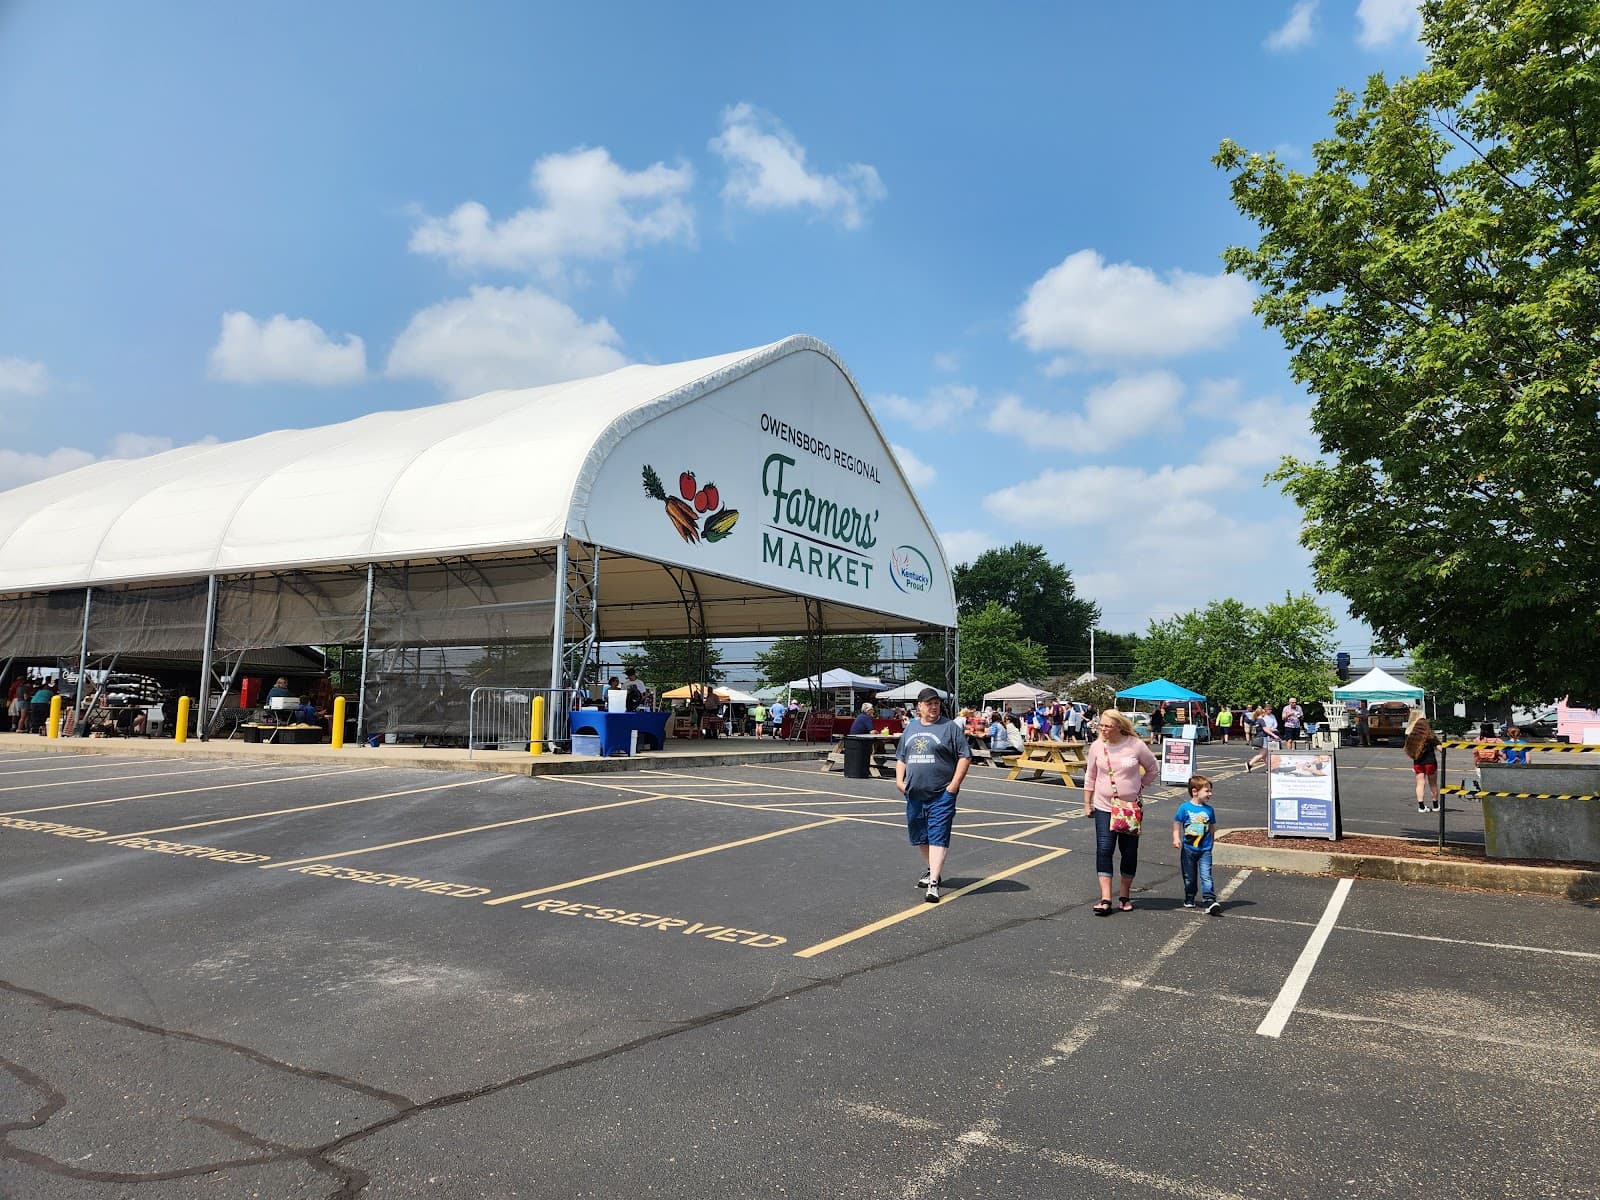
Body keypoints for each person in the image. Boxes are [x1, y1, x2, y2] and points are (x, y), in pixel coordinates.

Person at [893, 687, 972, 903]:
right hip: (914, 794)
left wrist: (953, 786)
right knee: (920, 835)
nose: (934, 707)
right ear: (919, 707)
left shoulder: (950, 728)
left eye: (936, 703)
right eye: (929, 703)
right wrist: (900, 781)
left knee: (938, 834)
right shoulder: (911, 728)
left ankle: (934, 883)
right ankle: (931, 869)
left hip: (941, 794)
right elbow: (901, 757)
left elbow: (965, 756)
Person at [1083, 708, 1158, 914]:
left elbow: (1153, 768)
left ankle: (1124, 894)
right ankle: (1106, 898)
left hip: (1129, 808)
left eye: (1107, 726)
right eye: (1101, 725)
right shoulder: (1097, 747)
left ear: (1118, 727)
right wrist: (1087, 803)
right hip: (1104, 806)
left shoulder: (1135, 745)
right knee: (1104, 849)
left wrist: (1140, 786)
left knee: (1129, 851)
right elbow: (1090, 776)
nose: (1103, 729)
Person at [1173, 773, 1222, 914]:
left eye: (1210, 791)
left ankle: (1210, 900)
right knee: (1189, 876)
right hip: (1188, 849)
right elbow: (1177, 822)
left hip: (1205, 849)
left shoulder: (1209, 810)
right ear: (1195, 792)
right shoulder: (1185, 808)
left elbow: (1212, 827)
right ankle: (1189, 897)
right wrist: (1176, 838)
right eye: (1207, 791)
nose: (1210, 794)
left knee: (1206, 875)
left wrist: (1212, 842)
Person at [1405, 716, 1441, 812]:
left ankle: (1421, 806)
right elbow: (1441, 748)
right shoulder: (1430, 736)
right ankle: (1436, 805)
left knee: (1420, 784)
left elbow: (1408, 749)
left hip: (1418, 762)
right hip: (1430, 762)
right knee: (1433, 784)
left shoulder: (1413, 736)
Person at [1247, 705, 1279, 772]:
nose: (1265, 714)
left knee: (1266, 754)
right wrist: (1274, 735)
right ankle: (1250, 764)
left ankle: (1269, 768)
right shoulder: (1261, 720)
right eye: (1264, 712)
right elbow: (1265, 729)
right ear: (1262, 713)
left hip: (1259, 737)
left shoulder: (1256, 720)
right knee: (1262, 754)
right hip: (1263, 738)